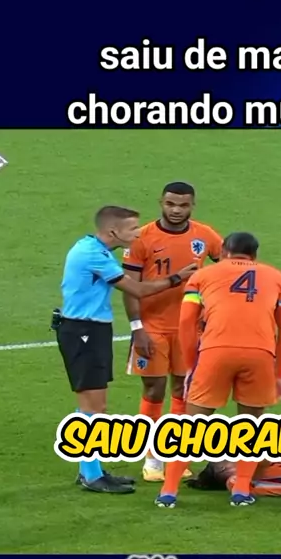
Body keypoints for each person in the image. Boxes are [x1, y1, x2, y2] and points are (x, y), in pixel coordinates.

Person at [56, 205, 197, 494]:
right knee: (94, 407)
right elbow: (138, 290)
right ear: (113, 231)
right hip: (84, 332)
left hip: (90, 330)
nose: (137, 233)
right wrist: (178, 277)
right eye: (132, 228)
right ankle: (91, 476)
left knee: (93, 406)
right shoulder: (93, 255)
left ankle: (91, 471)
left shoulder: (96, 249)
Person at [156, 231, 281, 509]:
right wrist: (280, 373)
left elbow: (186, 324)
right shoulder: (277, 278)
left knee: (192, 426)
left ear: (223, 252)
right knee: (250, 426)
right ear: (254, 255)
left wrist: (192, 363)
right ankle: (241, 491)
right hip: (259, 355)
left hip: (215, 352)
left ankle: (168, 492)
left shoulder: (202, 276)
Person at [122, 182, 222, 483]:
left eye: (183, 205)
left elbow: (229, 267)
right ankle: (152, 458)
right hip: (152, 327)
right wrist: (137, 328)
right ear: (161, 203)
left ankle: (175, 456)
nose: (176, 210)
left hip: (190, 329)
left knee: (184, 390)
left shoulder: (205, 235)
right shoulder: (142, 238)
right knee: (154, 390)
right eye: (170, 204)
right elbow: (130, 287)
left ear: (193, 205)